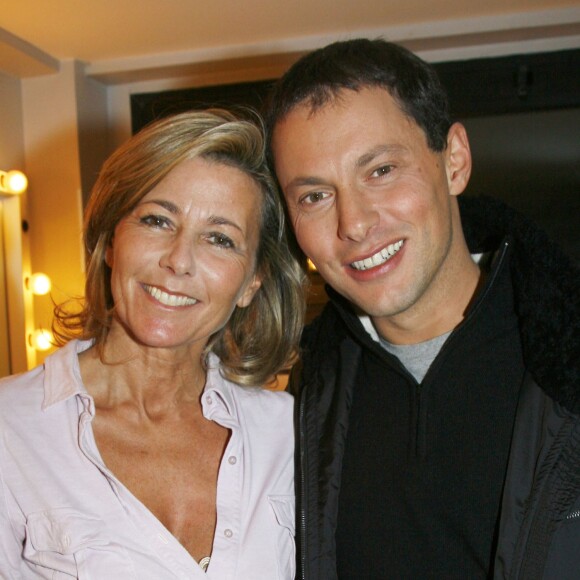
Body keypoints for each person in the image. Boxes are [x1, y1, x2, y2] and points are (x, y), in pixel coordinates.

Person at [264, 38, 580, 579]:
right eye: (315, 196)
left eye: (381, 170)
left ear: (454, 161)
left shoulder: (563, 363)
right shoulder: (298, 408)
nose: (354, 224)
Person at [0, 109, 305, 579]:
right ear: (111, 240)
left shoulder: (287, 434)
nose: (179, 260)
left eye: (220, 239)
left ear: (251, 282)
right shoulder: (11, 431)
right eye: (158, 220)